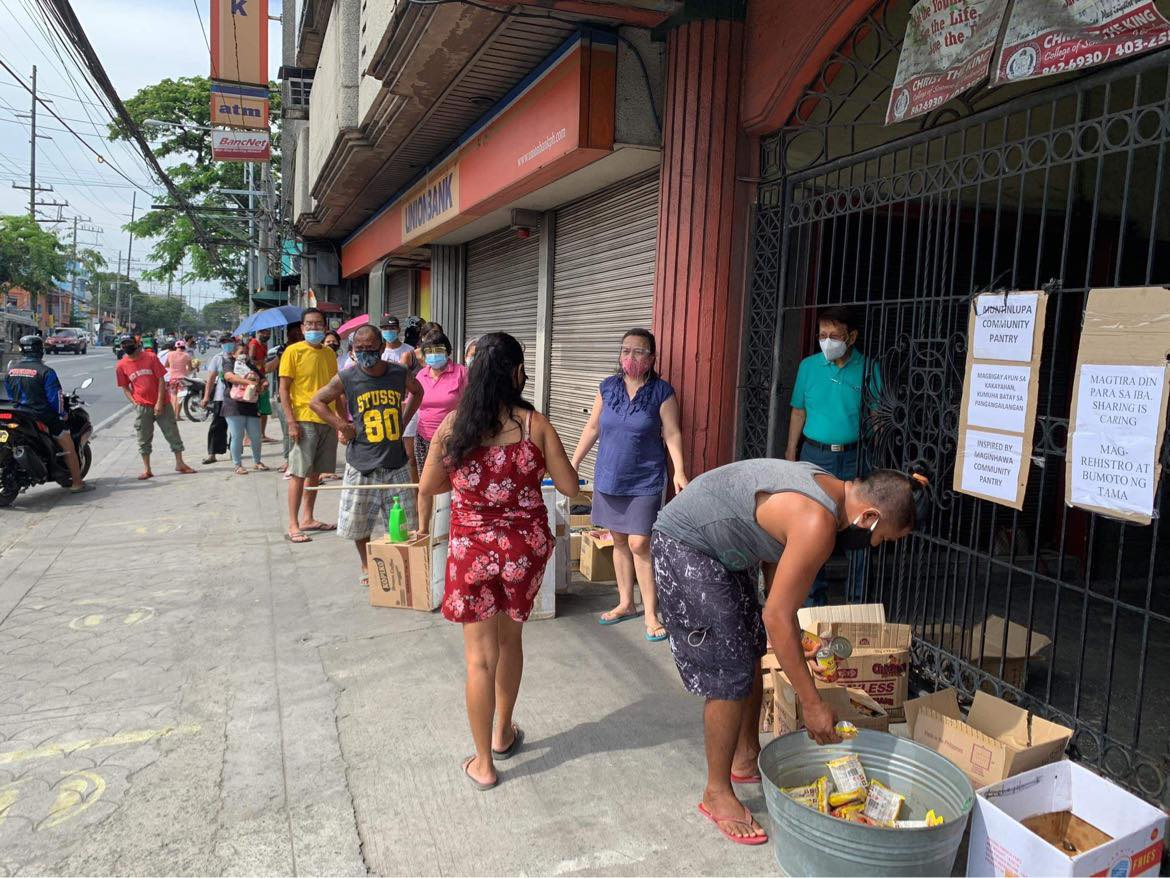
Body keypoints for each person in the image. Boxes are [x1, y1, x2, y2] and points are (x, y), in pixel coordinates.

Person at [650, 459, 927, 845]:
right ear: (869, 517)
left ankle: (745, 757)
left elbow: (774, 562)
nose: (878, 546)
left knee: (748, 646)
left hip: (722, 548)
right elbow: (777, 616)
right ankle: (716, 792)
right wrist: (811, 704)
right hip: (686, 544)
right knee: (730, 668)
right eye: (886, 538)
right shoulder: (819, 524)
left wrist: (795, 638)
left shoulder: (829, 487)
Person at [419, 332, 578, 791]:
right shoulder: (535, 426)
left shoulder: (452, 427)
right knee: (511, 642)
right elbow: (568, 487)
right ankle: (504, 731)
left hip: (472, 550)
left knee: (478, 661)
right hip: (523, 551)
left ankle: (484, 763)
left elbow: (430, 487)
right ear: (515, 372)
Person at [571, 328, 688, 642]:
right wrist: (574, 461)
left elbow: (673, 433)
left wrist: (679, 470)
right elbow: (593, 426)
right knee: (619, 540)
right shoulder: (608, 388)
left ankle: (651, 613)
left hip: (645, 479)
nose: (631, 357)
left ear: (651, 358)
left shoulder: (662, 392)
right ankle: (626, 603)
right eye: (626, 351)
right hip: (609, 476)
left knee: (640, 543)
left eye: (638, 352)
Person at [309, 324, 423, 583]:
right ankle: (365, 566)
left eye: (370, 348)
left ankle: (401, 563)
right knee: (360, 521)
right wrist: (341, 425)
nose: (364, 354)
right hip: (362, 460)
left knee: (403, 520)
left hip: (395, 460)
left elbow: (418, 391)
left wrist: (404, 422)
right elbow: (316, 401)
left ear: (382, 348)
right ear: (352, 350)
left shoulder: (398, 373)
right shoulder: (346, 377)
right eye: (358, 349)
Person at [785, 306, 879, 605]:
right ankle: (815, 602)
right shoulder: (808, 367)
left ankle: (857, 602)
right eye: (822, 335)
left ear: (851, 337)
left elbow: (878, 415)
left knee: (861, 528)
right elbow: (798, 411)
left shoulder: (868, 369)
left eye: (834, 336)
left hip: (855, 456)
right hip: (815, 457)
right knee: (815, 526)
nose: (827, 341)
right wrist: (791, 451)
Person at [279, 307, 341, 543]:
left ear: (325, 327)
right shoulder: (293, 352)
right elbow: (283, 389)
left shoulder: (329, 354)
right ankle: (294, 524)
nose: (314, 328)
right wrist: (290, 421)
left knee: (316, 473)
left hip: (327, 418)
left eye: (318, 324)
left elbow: (337, 390)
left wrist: (341, 421)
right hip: (304, 419)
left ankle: (308, 517)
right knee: (299, 473)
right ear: (302, 328)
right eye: (309, 324)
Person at [3, 335, 90, 493]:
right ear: (40, 351)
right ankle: (77, 483)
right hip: (41, 415)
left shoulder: (11, 370)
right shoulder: (46, 371)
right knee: (67, 442)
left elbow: (10, 393)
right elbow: (55, 398)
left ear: (22, 351)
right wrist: (62, 414)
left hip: (19, 413)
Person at [115, 335, 196, 480]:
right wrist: (134, 403)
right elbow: (125, 387)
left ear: (137, 344)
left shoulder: (151, 357)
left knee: (172, 432)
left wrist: (159, 402)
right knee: (143, 438)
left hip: (162, 403)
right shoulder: (121, 365)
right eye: (123, 344)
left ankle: (180, 463)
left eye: (129, 343)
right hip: (142, 406)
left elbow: (160, 380)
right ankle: (147, 469)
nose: (126, 346)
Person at [414, 330, 468, 532]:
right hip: (425, 437)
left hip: (453, 439)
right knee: (425, 484)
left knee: (455, 483)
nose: (434, 355)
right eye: (429, 351)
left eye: (439, 350)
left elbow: (469, 403)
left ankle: (455, 528)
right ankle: (423, 529)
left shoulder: (461, 372)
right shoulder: (422, 374)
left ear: (448, 351)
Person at [221, 343, 269, 475]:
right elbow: (229, 377)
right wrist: (249, 382)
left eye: (246, 352)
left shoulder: (250, 366)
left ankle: (257, 462)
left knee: (255, 435)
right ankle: (237, 465)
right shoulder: (229, 364)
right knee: (237, 436)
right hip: (234, 405)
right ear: (234, 354)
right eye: (241, 352)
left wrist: (264, 384)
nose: (244, 354)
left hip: (251, 404)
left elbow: (263, 378)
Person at [200, 337, 235, 464]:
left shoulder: (239, 357)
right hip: (221, 396)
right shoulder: (218, 358)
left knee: (236, 426)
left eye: (229, 342)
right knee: (217, 426)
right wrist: (206, 396)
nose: (227, 345)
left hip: (237, 397)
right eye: (224, 342)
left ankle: (234, 452)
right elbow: (210, 378)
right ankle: (212, 454)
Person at [247, 329, 276, 443]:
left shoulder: (264, 345)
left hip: (262, 378)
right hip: (255, 379)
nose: (266, 335)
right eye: (264, 332)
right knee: (253, 409)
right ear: (258, 332)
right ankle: (248, 437)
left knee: (264, 409)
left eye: (268, 332)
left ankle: (262, 434)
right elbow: (250, 362)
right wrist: (262, 362)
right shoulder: (254, 344)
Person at [166, 340, 193, 421]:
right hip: (182, 379)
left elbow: (166, 365)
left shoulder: (170, 354)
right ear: (184, 347)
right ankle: (177, 416)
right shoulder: (186, 355)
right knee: (180, 397)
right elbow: (190, 368)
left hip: (172, 379)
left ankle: (172, 415)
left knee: (173, 396)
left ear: (176, 347)